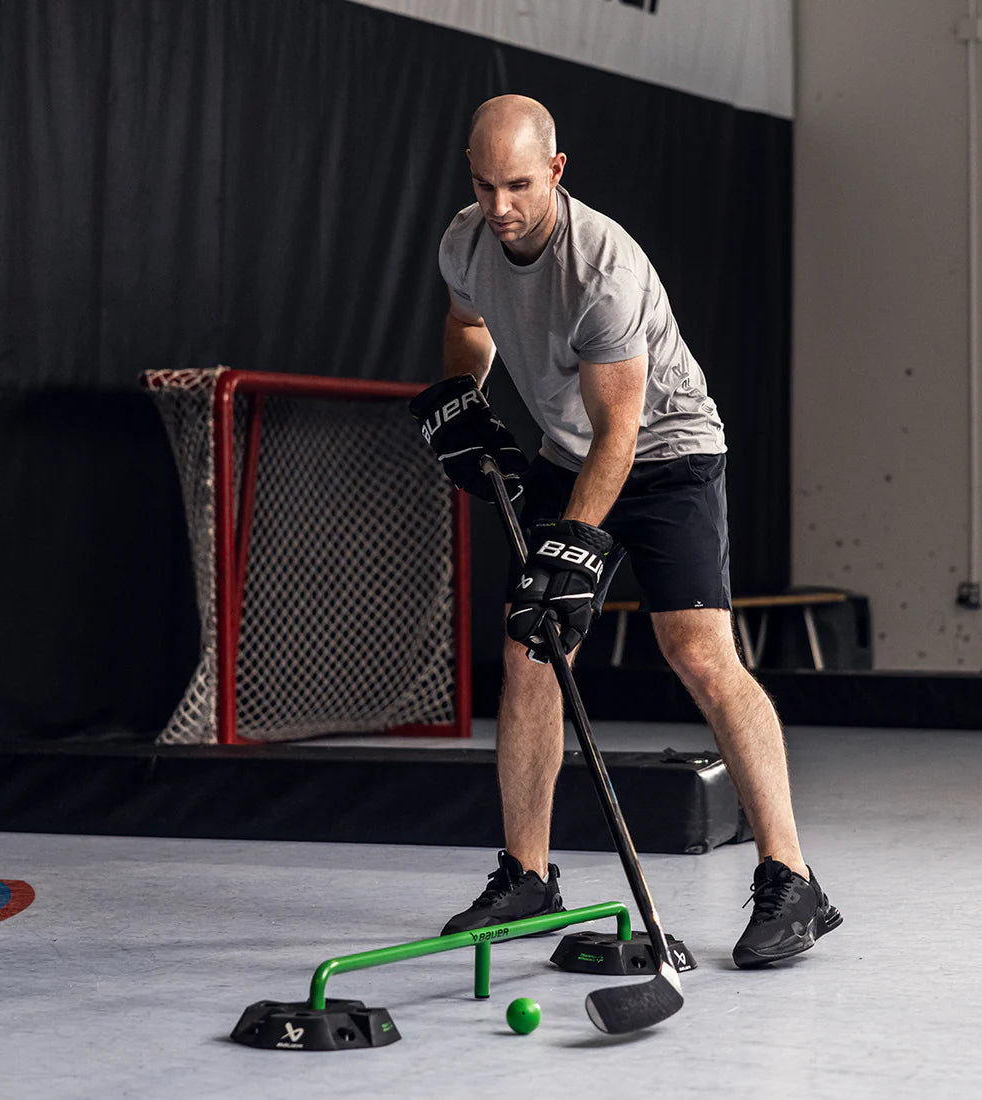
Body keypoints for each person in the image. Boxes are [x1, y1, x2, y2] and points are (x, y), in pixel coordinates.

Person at [409, 94, 840, 968]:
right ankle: (527, 875)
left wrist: (568, 547)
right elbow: (467, 327)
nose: (502, 207)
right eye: (486, 184)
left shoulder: (603, 268)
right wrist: (467, 397)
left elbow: (622, 432)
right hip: (573, 451)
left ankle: (793, 880)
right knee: (532, 649)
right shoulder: (465, 241)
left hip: (668, 450)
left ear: (557, 172)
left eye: (520, 185)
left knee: (697, 653)